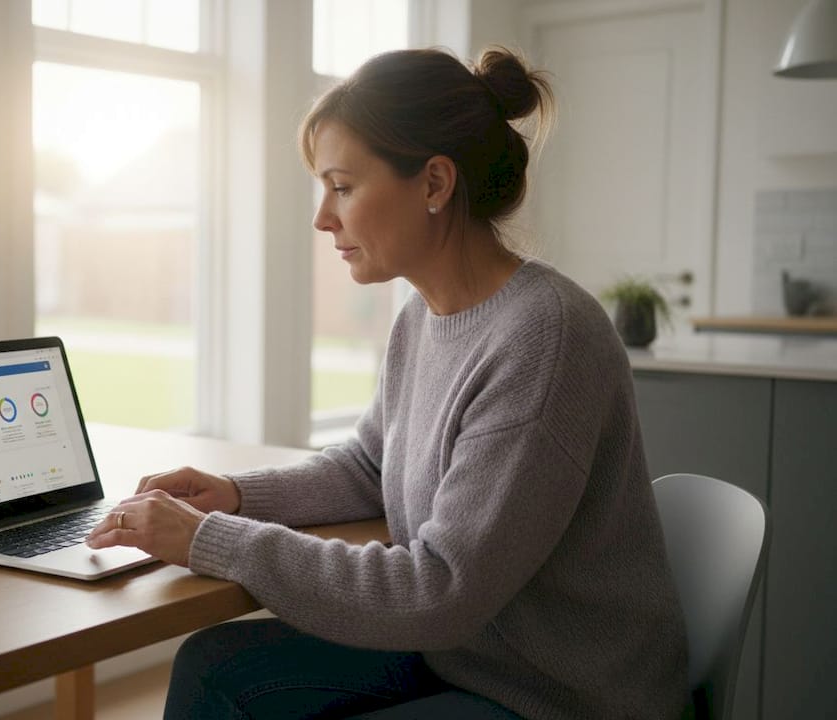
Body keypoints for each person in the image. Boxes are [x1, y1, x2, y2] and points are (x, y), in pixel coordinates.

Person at [86, 46, 688, 720]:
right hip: (462, 655)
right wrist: (232, 496)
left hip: (557, 696)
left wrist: (212, 539)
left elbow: (439, 589)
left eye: (341, 186)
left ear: (434, 183)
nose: (323, 217)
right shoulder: (422, 320)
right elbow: (371, 464)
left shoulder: (546, 337)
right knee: (214, 666)